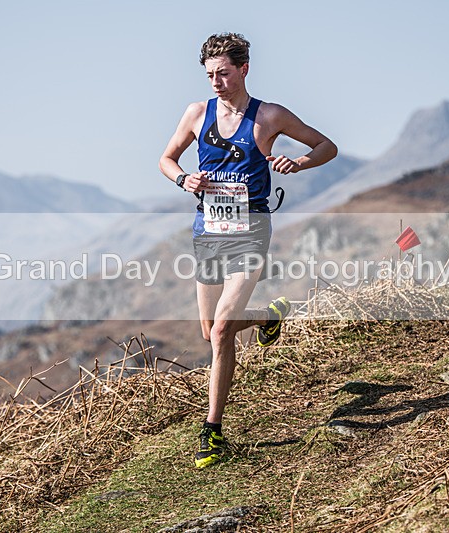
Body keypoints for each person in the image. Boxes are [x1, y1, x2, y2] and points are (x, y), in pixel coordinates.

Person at [159, 32, 337, 468]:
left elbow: (326, 146)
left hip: (251, 228)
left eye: (223, 73)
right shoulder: (196, 113)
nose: (216, 82)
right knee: (209, 330)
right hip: (207, 229)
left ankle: (212, 432)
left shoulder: (270, 116)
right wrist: (184, 179)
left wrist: (298, 162)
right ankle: (267, 317)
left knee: (221, 332)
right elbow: (165, 159)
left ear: (244, 69)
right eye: (209, 75)